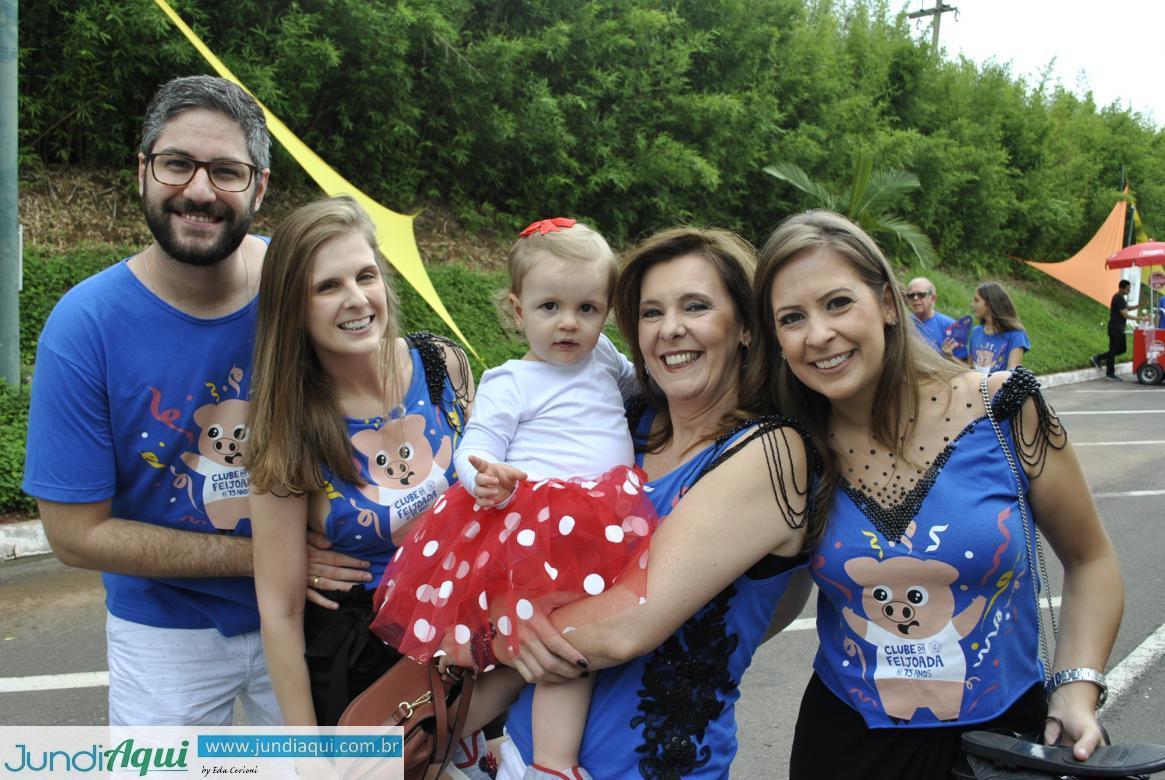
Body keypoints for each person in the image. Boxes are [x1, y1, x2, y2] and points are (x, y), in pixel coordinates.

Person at [21, 75, 363, 726]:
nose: (199, 191)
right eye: (177, 163)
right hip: (164, 628)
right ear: (142, 172)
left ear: (259, 187)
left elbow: (384, 401)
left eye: (226, 171)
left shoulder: (304, 288)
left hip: (320, 611)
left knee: (336, 769)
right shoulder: (85, 327)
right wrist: (267, 556)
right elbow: (74, 535)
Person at [751, 210, 1123, 780]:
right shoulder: (792, 448)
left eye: (838, 303)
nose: (818, 334)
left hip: (1007, 745)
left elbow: (1091, 559)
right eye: (792, 318)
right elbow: (771, 596)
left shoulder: (1004, 408)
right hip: (848, 747)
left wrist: (1077, 688)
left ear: (887, 303)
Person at [440, 226, 817, 779]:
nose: (670, 328)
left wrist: (479, 636)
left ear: (744, 325)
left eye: (696, 306)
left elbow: (623, 629)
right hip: (521, 756)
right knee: (355, 758)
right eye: (650, 312)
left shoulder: (769, 451)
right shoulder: (626, 423)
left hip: (648, 768)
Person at [371, 217, 654, 780]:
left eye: (587, 308)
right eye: (550, 307)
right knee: (561, 650)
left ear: (606, 312)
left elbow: (642, 389)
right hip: (538, 531)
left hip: (598, 522)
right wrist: (485, 477)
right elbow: (474, 444)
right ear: (517, 310)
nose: (569, 323)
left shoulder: (604, 358)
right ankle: (551, 763)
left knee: (525, 657)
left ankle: (458, 738)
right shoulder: (510, 381)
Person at [245, 196, 474, 731]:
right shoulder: (287, 425)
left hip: (471, 644)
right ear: (292, 308)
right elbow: (279, 611)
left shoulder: (442, 364)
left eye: (365, 276)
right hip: (371, 676)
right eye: (327, 286)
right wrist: (308, 754)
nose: (356, 299)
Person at [948, 281, 1031, 373]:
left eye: (976, 300)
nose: (972, 304)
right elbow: (971, 369)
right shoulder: (975, 332)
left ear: (990, 303)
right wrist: (950, 356)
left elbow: (1011, 374)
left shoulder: (1016, 335)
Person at [1091, 279, 1136, 381]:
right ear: (1121, 288)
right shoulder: (1118, 298)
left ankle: (1098, 358)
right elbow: (1125, 314)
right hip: (1115, 328)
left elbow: (1127, 308)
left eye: (1129, 289)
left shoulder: (1121, 298)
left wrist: (1139, 305)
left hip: (1120, 328)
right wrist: (1140, 318)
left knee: (1122, 349)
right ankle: (1110, 373)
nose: (1129, 291)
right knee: (1113, 351)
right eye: (1127, 289)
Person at [906, 276, 954, 353]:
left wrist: (949, 357)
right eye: (911, 295)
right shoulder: (903, 324)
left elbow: (962, 359)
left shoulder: (949, 325)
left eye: (921, 294)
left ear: (933, 298)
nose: (915, 298)